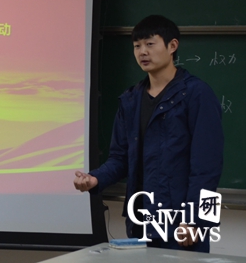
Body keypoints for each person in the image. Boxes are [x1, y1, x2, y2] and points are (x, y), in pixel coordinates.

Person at [73, 15, 223, 253]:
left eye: (150, 44)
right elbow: (120, 158)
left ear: (172, 46)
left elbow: (208, 168)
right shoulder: (130, 99)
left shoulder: (197, 94)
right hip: (141, 221)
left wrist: (198, 221)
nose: (142, 52)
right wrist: (95, 179)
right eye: (137, 46)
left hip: (183, 225)